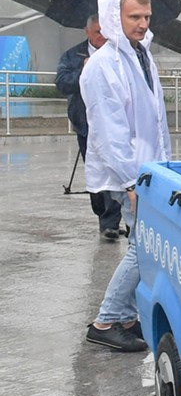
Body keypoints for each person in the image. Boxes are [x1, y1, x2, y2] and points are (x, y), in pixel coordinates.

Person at [81, 0, 172, 351]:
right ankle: (105, 320)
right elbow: (108, 131)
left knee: (143, 243)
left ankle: (127, 318)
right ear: (114, 17)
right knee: (142, 246)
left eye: (147, 17)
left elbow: (156, 119)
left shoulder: (140, 56)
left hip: (147, 170)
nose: (143, 23)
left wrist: (160, 169)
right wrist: (133, 180)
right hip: (130, 174)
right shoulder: (104, 65)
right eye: (135, 17)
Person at [55, 13, 124, 239]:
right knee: (95, 172)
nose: (102, 38)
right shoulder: (73, 55)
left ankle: (111, 223)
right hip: (85, 124)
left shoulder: (118, 54)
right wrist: (84, 71)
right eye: (97, 33)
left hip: (113, 123)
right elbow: (62, 84)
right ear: (87, 32)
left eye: (104, 33)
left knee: (114, 172)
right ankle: (102, 215)